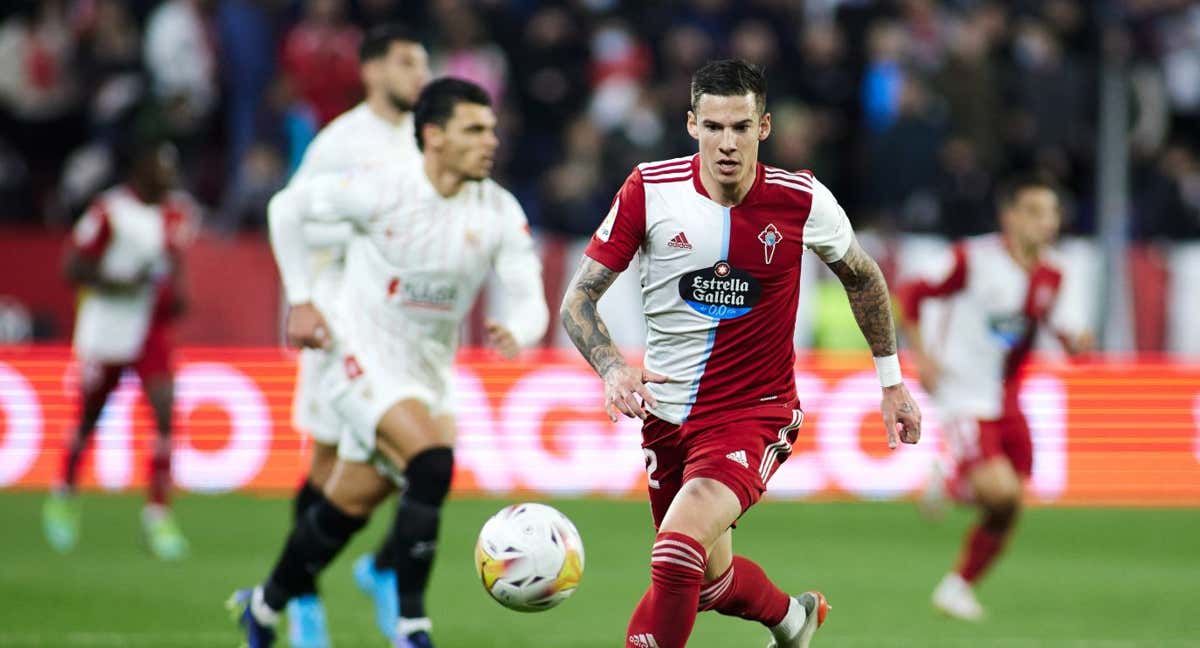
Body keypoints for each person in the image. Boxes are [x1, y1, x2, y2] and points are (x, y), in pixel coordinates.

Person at [560, 59, 921, 648]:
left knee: (675, 551)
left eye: (741, 127)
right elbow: (578, 301)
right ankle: (792, 619)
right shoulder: (649, 190)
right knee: (707, 581)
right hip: (666, 417)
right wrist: (611, 367)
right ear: (691, 125)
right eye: (714, 126)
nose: (727, 142)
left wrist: (891, 382)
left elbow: (864, 277)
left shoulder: (801, 200)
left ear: (765, 128)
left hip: (755, 413)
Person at [230, 77, 548, 648]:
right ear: (434, 136)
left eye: (492, 129)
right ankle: (412, 625)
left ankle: (263, 604)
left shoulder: (499, 210)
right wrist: (302, 298)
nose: (490, 141)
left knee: (348, 504)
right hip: (359, 355)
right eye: (474, 129)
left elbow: (529, 296)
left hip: (428, 370)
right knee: (430, 462)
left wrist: (519, 329)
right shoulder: (381, 188)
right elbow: (286, 209)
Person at [279, 23, 430, 647]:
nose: (419, 74)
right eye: (405, 62)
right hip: (341, 322)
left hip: (405, 327)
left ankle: (384, 568)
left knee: (417, 463)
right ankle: (301, 599)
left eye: (423, 63)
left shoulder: (426, 139)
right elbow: (295, 218)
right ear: (372, 71)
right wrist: (304, 301)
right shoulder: (340, 144)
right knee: (327, 465)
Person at [897, 175, 1091, 621]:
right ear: (1011, 217)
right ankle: (954, 478)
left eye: (1054, 212)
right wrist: (922, 357)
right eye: (1038, 212)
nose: (1049, 223)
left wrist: (1079, 340)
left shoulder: (1055, 273)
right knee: (1000, 491)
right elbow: (909, 293)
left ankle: (956, 584)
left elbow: (1068, 334)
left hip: (1007, 395)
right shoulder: (972, 258)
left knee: (1011, 501)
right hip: (963, 390)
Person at [43, 137, 197, 561]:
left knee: (165, 410)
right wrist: (120, 283)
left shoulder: (175, 212)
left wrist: (178, 295)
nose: (169, 176)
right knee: (90, 415)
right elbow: (72, 266)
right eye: (161, 168)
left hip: (150, 328)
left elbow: (172, 266)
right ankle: (64, 491)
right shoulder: (109, 211)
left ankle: (158, 515)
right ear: (141, 169)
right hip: (108, 326)